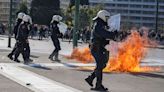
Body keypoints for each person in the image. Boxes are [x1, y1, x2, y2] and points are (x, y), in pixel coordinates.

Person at [85, 10, 127, 91]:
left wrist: (113, 34)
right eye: (107, 17)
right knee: (100, 65)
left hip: (100, 47)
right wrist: (113, 34)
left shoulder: (101, 24)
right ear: (102, 16)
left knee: (102, 64)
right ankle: (98, 85)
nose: (108, 19)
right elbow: (105, 34)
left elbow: (104, 36)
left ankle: (90, 78)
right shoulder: (98, 25)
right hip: (96, 48)